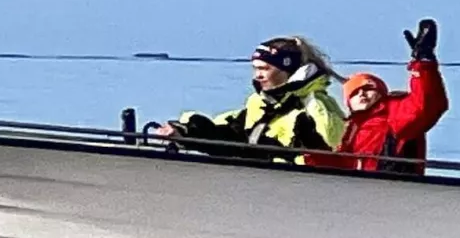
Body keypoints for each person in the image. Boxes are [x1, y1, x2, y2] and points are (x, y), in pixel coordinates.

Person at [148, 36, 346, 162]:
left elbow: (327, 158)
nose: (257, 76)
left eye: (264, 69)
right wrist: (185, 132)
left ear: (288, 70)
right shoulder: (260, 106)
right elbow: (229, 135)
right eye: (255, 69)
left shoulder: (315, 107)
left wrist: (268, 153)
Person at [331, 18, 448, 174]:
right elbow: (334, 167)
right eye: (354, 93)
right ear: (348, 103)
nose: (362, 94)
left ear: (381, 93)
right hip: (354, 193)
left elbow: (426, 106)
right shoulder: (348, 130)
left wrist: (424, 62)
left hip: (392, 190)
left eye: (368, 89)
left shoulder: (393, 113)